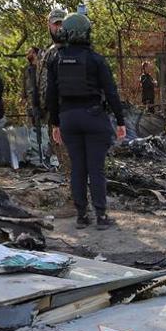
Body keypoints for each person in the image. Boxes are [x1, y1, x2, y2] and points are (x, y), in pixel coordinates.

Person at [46, 13, 127, 229]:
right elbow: (111, 92)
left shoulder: (56, 59)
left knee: (78, 169)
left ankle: (82, 216)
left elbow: (51, 95)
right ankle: (101, 216)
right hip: (93, 117)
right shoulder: (96, 59)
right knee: (96, 169)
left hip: (68, 119)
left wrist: (55, 123)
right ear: (86, 32)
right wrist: (120, 121)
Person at [22, 46, 50, 165]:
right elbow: (25, 84)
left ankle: (46, 154)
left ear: (35, 54)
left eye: (30, 52)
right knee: (33, 128)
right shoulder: (27, 69)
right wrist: (23, 96)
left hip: (42, 102)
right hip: (31, 102)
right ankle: (35, 156)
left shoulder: (42, 69)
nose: (27, 54)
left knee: (44, 128)